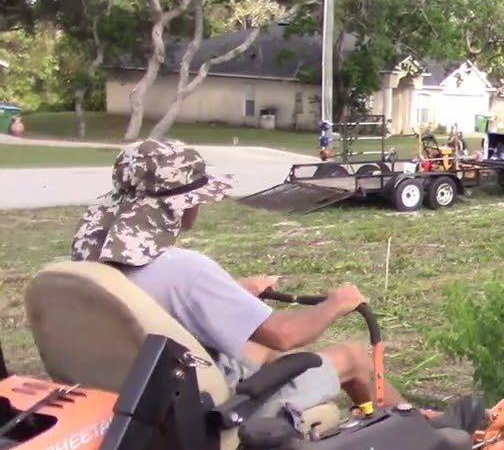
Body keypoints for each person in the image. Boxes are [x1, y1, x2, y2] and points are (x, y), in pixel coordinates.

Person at [69, 137, 391, 420]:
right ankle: (413, 435)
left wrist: (235, 294)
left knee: (258, 348)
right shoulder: (185, 269)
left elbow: (157, 309)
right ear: (181, 206)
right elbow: (285, 335)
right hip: (208, 415)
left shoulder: (90, 266)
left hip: (139, 403)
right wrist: (337, 303)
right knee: (353, 357)